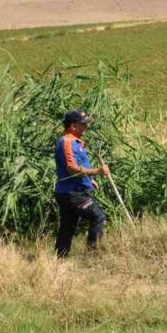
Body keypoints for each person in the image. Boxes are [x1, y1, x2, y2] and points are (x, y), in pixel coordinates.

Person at [54, 110, 110, 257]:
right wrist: (97, 171)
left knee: (68, 226)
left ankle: (60, 258)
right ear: (73, 126)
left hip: (69, 192)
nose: (86, 126)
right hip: (73, 193)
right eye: (83, 124)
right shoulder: (66, 142)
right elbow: (71, 168)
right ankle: (92, 255)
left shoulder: (75, 142)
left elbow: (78, 165)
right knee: (97, 217)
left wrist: (90, 180)